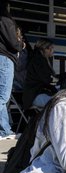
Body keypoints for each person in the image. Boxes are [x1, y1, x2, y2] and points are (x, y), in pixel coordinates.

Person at [0, 0, 23, 139]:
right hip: (5, 59)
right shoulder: (5, 18)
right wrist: (21, 44)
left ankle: (4, 129)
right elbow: (13, 43)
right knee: (3, 96)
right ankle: (4, 131)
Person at [22, 38, 57, 110]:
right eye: (52, 48)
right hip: (34, 96)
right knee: (61, 102)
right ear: (45, 49)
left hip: (36, 94)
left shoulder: (39, 58)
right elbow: (47, 80)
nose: (53, 50)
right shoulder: (38, 60)